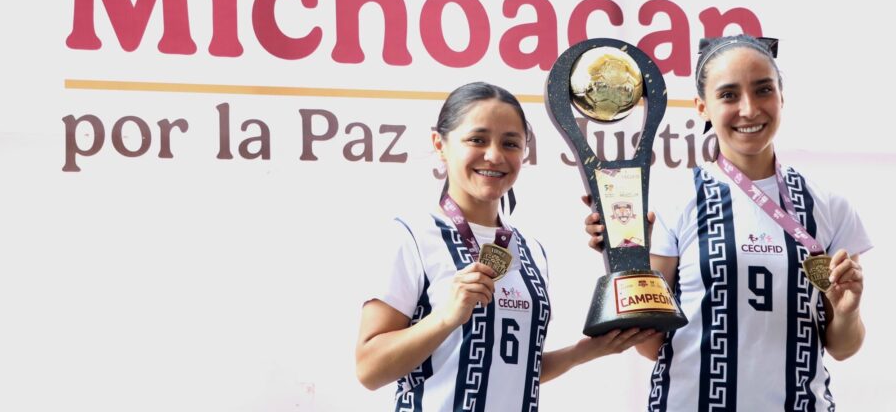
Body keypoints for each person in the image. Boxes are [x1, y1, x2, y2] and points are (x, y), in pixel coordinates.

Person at [585, 34, 871, 410]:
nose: (749, 109)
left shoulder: (829, 206)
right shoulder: (675, 199)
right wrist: (627, 260)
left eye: (763, 90)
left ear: (782, 97)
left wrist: (847, 311)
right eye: (729, 95)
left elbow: (843, 347)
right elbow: (651, 346)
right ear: (702, 107)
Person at [356, 81, 655, 411]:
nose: (495, 155)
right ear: (440, 144)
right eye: (477, 139)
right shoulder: (410, 236)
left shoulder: (530, 250)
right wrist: (446, 317)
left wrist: (582, 352)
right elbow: (369, 369)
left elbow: (512, 370)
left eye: (510, 143)